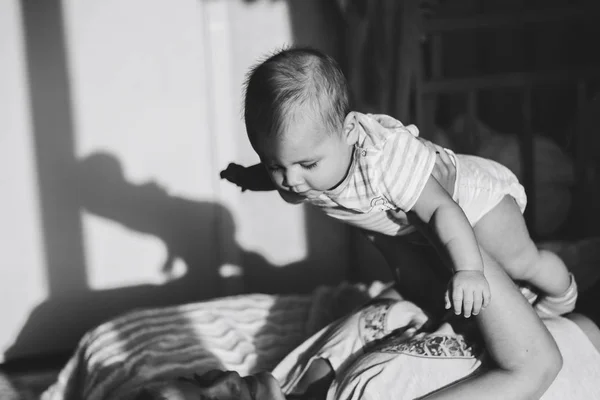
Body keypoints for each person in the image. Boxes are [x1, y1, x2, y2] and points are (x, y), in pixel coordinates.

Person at [220, 46, 577, 318]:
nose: (292, 181)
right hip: (421, 226)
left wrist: (468, 271)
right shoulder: (299, 165)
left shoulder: (382, 160)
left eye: (306, 164)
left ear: (349, 131)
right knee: (428, 282)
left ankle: (565, 292)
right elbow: (284, 169)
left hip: (474, 204)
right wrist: (252, 177)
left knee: (519, 262)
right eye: (273, 166)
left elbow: (441, 208)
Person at [132, 248, 600, 399]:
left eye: (194, 378)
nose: (216, 379)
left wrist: (368, 205)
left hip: (571, 308)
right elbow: (536, 365)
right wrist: (454, 239)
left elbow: (407, 299)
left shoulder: (292, 375)